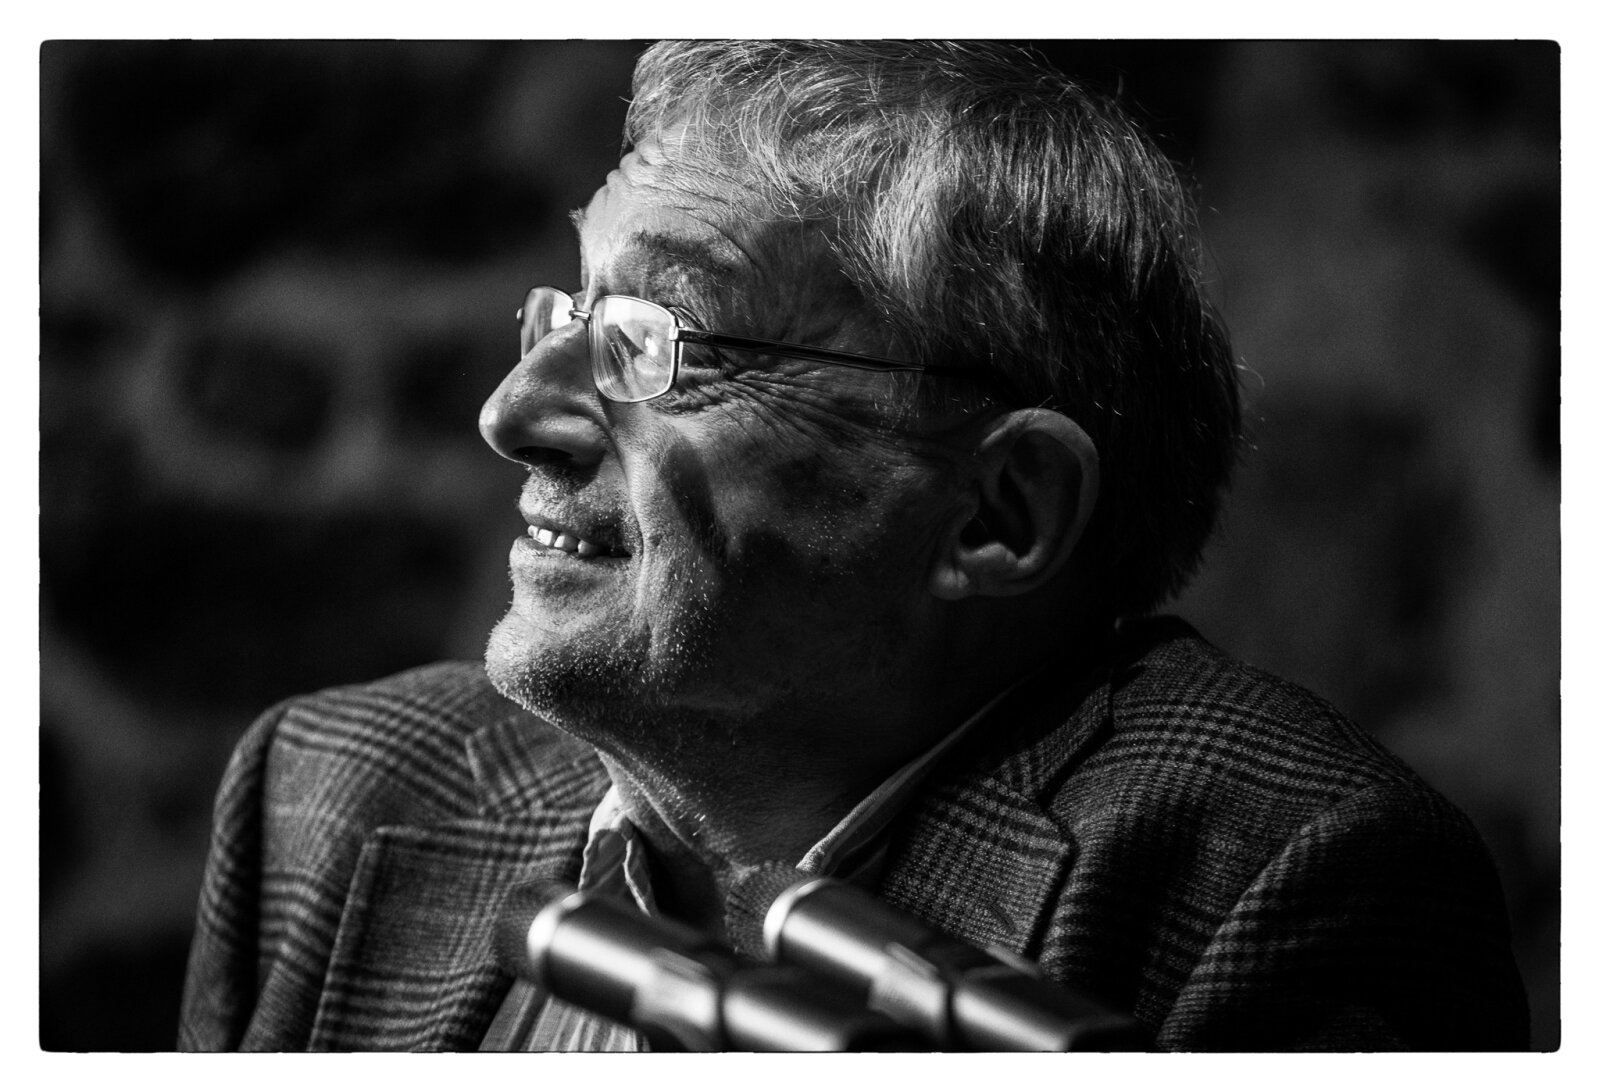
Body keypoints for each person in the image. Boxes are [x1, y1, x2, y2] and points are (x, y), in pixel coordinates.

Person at [178, 40, 1528, 1051]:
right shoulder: (334, 789)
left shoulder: (1284, 879)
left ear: (998, 515)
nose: (513, 412)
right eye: (567, 318)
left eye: (658, 344)